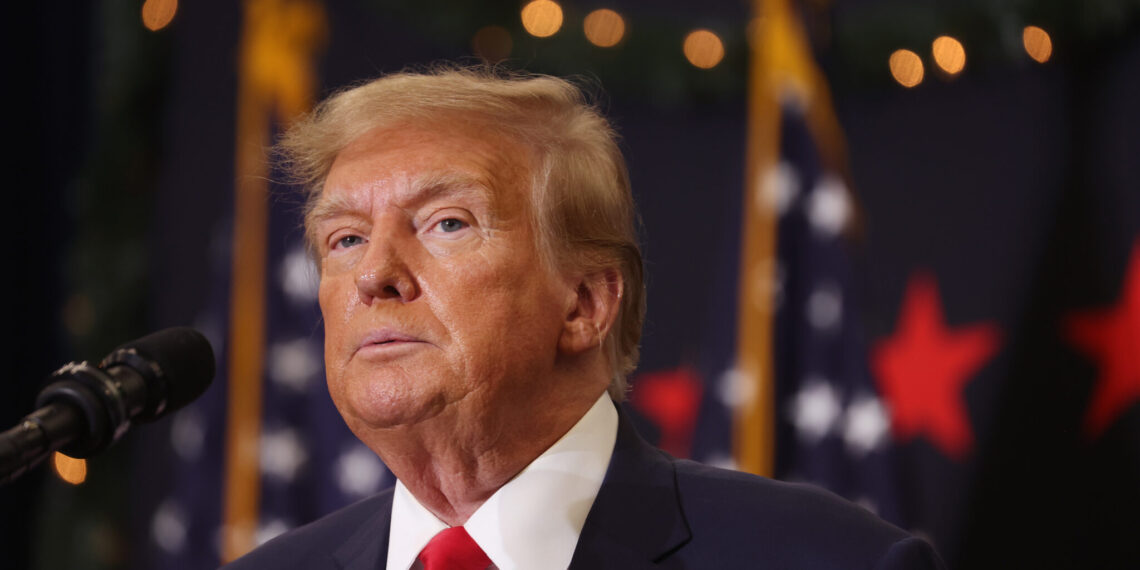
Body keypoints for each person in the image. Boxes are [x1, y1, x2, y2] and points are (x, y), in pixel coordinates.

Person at [224, 66, 945, 569]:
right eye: (344, 239)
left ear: (586, 304)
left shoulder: (829, 563)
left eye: (446, 223)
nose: (374, 274)